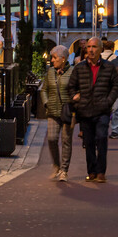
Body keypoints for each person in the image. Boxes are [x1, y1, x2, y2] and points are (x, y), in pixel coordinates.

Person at [68, 37, 118, 183]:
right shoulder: (80, 67)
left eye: (94, 47)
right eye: (89, 47)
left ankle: (101, 172)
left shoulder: (109, 67)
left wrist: (108, 101)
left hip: (102, 109)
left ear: (100, 49)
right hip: (85, 110)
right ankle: (91, 171)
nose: (91, 50)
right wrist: (75, 97)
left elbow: (116, 85)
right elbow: (71, 86)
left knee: (101, 138)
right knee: (89, 142)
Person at [41, 45, 74, 182]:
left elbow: (75, 90)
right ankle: (56, 165)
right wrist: (46, 103)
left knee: (66, 141)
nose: (52, 60)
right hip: (52, 111)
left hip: (67, 112)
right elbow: (44, 90)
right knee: (52, 139)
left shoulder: (72, 72)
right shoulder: (50, 72)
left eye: (54, 58)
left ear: (63, 59)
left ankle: (64, 170)